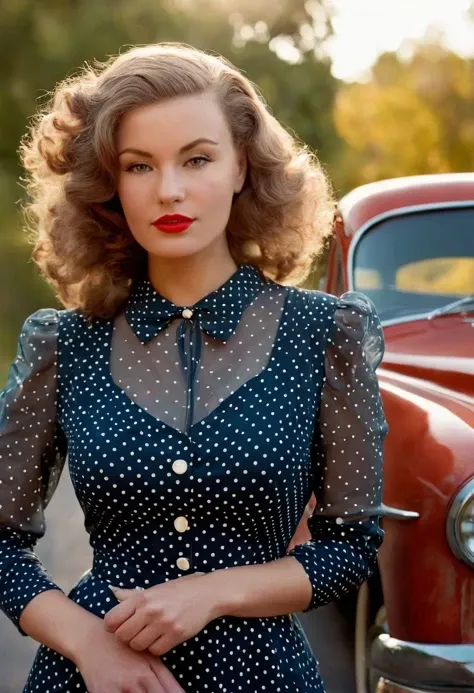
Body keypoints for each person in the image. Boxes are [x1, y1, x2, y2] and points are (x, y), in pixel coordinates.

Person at [0, 43, 388, 693]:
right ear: (110, 182)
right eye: (139, 165)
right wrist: (90, 643)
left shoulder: (326, 336)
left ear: (242, 166)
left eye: (197, 158)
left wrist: (210, 592)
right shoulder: (62, 346)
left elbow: (349, 546)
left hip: (264, 677)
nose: (169, 190)